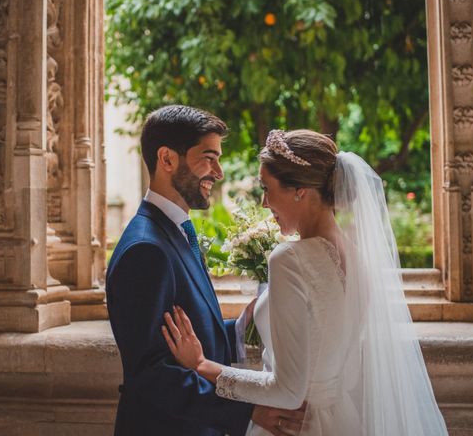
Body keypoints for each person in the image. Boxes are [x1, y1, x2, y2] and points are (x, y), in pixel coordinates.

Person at [162, 129, 449, 435]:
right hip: (341, 418)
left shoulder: (289, 259)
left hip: (292, 425)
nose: (263, 202)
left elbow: (287, 391)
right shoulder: (357, 258)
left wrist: (203, 365)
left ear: (300, 190)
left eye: (266, 188)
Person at [106, 106, 306, 436]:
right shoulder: (145, 249)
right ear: (167, 159)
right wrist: (248, 412)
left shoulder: (175, 229)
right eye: (208, 157)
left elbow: (188, 338)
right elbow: (151, 373)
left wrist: (242, 325)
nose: (219, 172)